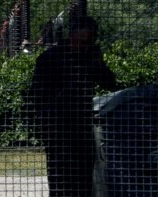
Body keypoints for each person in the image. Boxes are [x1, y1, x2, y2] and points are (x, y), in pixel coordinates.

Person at [27, 15, 117, 197]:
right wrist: (45, 122)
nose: (84, 47)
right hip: (58, 129)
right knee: (60, 180)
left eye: (89, 43)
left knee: (84, 179)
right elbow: (36, 96)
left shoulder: (90, 57)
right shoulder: (50, 58)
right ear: (72, 36)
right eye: (82, 42)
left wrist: (97, 64)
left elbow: (110, 83)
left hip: (82, 128)